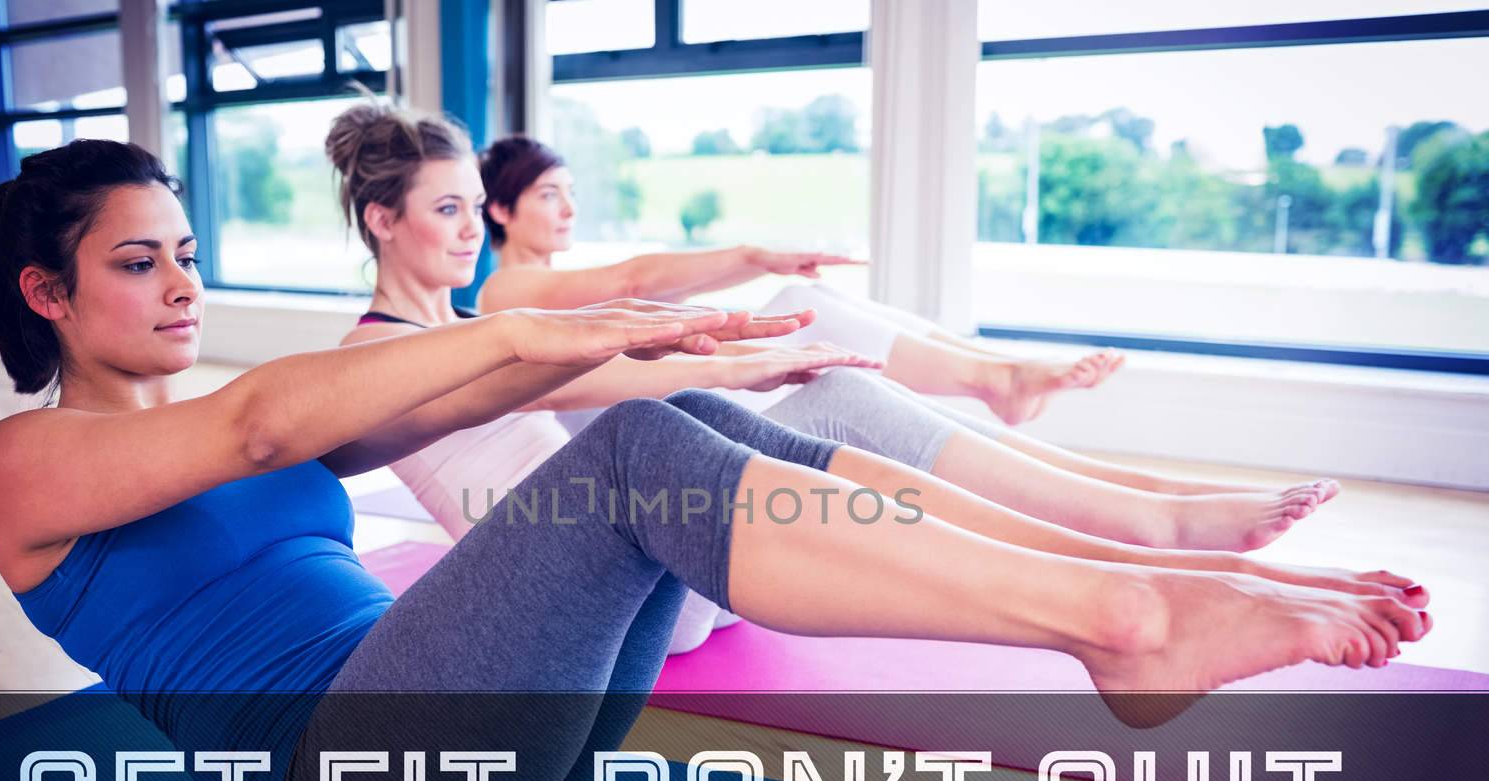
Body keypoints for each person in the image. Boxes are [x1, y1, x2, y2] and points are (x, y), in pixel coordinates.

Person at [0, 138, 1427, 781]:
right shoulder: (20, 464)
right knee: (629, 459)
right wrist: (587, 327)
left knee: (673, 426)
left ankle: (1140, 576)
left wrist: (710, 346)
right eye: (140, 261)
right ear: (47, 293)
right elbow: (268, 422)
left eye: (191, 254)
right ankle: (1129, 620)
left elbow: (480, 380)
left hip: (485, 759)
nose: (182, 284)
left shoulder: (235, 408)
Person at [333, 104, 1354, 654]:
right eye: (448, 213)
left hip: (653, 553)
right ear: (383, 220)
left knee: (848, 395)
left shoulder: (483, 317)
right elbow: (565, 387)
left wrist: (754, 329)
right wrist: (745, 356)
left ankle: (1155, 527)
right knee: (784, 391)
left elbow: (610, 344)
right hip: (612, 600)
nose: (472, 234)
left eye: (477, 209)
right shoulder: (380, 354)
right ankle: (1152, 541)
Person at [475, 134, 1337, 504]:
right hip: (653, 436)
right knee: (803, 311)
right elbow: (640, 273)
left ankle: (996, 370)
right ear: (501, 212)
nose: (567, 209)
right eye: (549, 196)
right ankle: (1000, 378)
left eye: (572, 193)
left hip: (678, 412)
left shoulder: (559, 284)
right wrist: (756, 257)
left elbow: (642, 279)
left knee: (829, 311)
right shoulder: (505, 298)